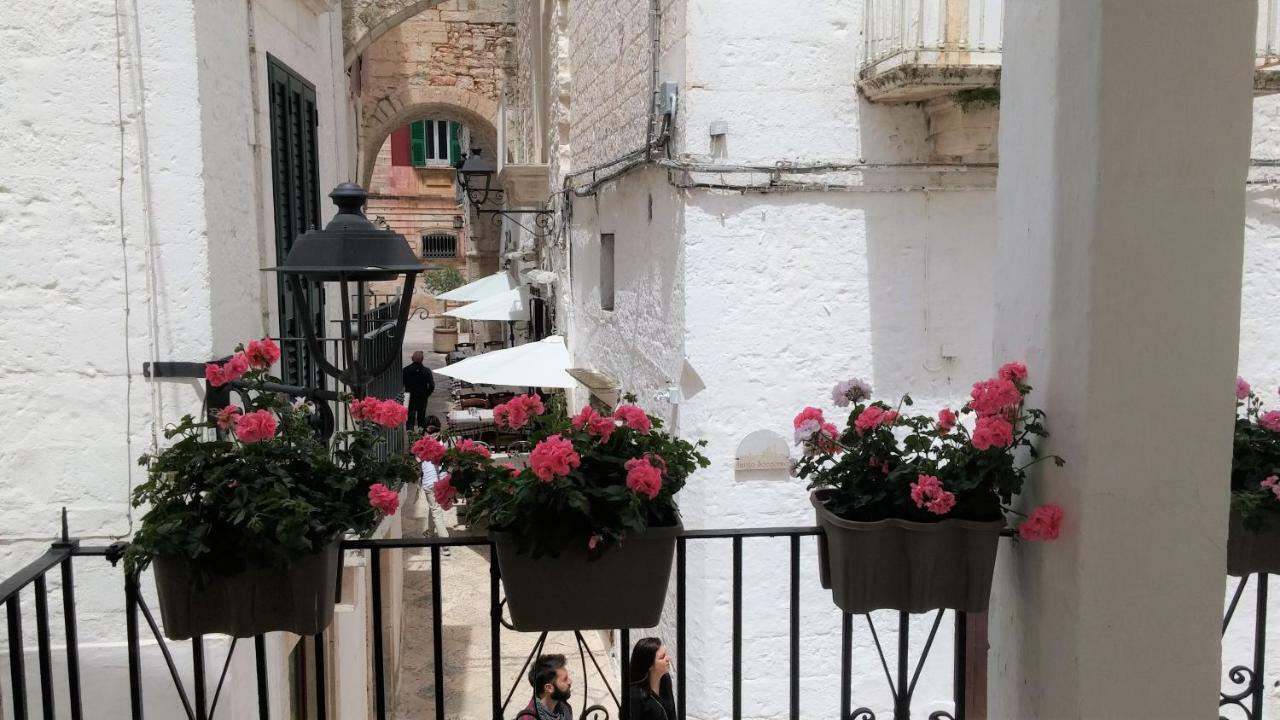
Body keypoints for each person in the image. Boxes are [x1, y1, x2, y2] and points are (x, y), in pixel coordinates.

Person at [419, 419, 450, 557]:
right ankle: (430, 532)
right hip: (442, 481)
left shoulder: (421, 444)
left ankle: (445, 543)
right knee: (434, 507)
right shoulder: (444, 442)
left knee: (436, 510)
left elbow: (418, 460)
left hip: (429, 482)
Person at [627, 638, 676, 720]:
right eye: (662, 657)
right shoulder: (635, 695)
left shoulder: (665, 679)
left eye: (666, 654)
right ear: (649, 665)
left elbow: (672, 713)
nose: (668, 658)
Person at [524, 654, 574, 720]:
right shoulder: (530, 717)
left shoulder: (565, 709)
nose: (570, 681)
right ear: (549, 688)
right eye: (565, 679)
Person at [403, 350, 435, 430]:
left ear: (412, 358)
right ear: (422, 359)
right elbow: (432, 385)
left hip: (410, 397)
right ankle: (420, 438)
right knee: (421, 418)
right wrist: (427, 394)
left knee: (410, 419)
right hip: (422, 397)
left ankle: (411, 438)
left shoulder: (406, 370)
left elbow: (402, 384)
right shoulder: (426, 371)